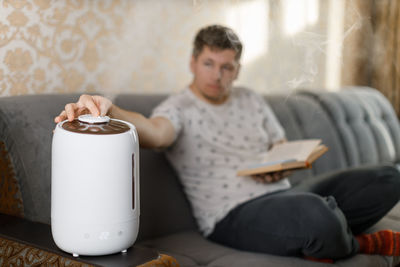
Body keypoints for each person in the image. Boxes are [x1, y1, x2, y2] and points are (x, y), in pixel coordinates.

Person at [55, 24, 400, 261]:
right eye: (209, 63)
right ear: (193, 62)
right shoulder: (178, 108)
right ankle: (352, 241)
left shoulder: (251, 99)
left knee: (388, 177)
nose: (216, 75)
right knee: (318, 215)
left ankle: (327, 231)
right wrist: (109, 107)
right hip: (232, 214)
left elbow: (279, 147)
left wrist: (276, 165)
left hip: (287, 193)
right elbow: (153, 131)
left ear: (237, 70)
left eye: (227, 67)